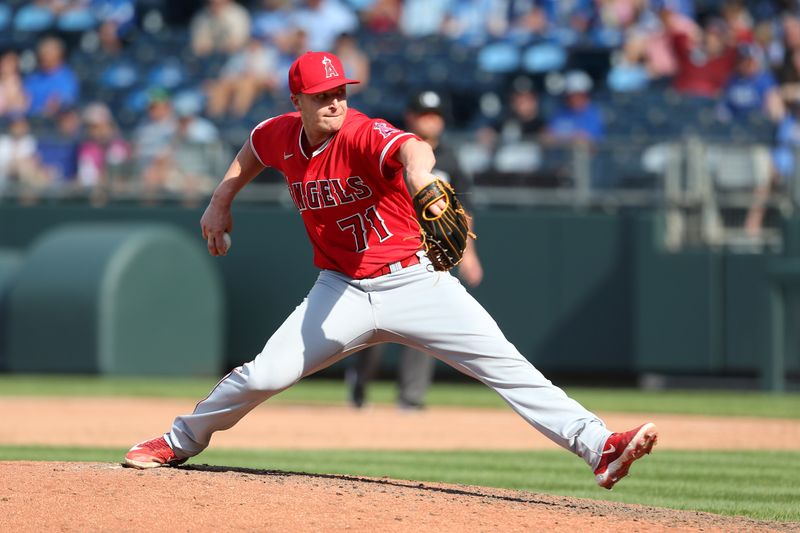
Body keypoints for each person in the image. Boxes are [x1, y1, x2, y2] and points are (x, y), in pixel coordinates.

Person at [123, 51, 658, 490]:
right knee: (264, 374)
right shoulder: (279, 134)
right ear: (298, 102)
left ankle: (601, 447)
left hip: (414, 281)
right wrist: (221, 199)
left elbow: (411, 148)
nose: (334, 101)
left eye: (340, 92)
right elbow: (252, 151)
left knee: (508, 367)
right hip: (341, 290)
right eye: (322, 95)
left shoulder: (360, 133)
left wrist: (423, 183)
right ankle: (177, 441)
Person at [346, 89, 483, 409]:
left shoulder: (450, 159)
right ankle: (359, 383)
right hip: (387, 247)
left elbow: (464, 209)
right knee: (371, 330)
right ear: (410, 116)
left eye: (434, 115)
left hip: (430, 252)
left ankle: (410, 398)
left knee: (425, 330)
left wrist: (469, 252)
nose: (430, 121)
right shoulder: (391, 148)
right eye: (424, 114)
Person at [23, 36, 79, 117]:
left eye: (48, 52)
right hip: (31, 119)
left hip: (53, 121)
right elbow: (24, 101)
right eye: (42, 53)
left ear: (59, 54)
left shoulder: (67, 78)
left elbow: (62, 102)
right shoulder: (33, 78)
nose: (44, 55)